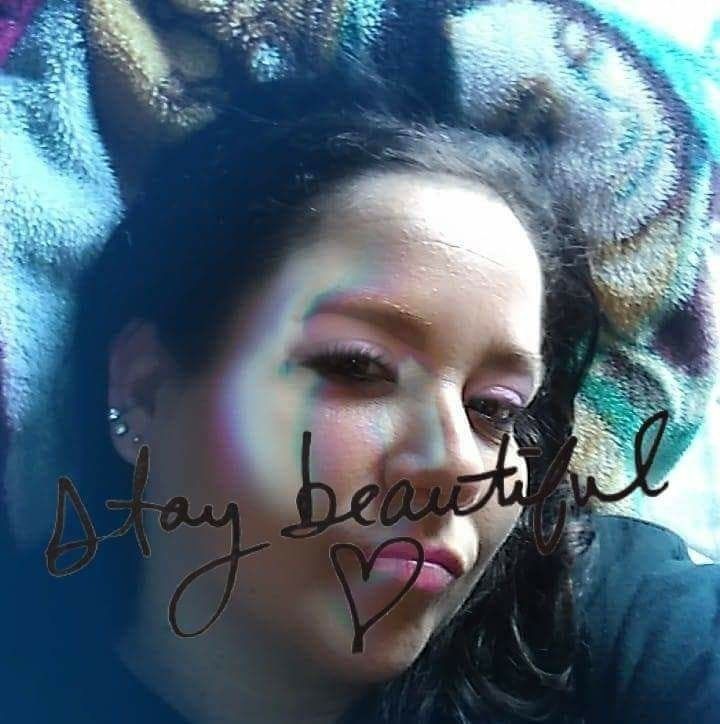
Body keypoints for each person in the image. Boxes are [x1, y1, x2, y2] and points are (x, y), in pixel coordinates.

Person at [6, 69, 719, 724]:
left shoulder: (598, 613)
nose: (463, 468)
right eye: (358, 366)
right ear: (148, 391)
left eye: (496, 410)